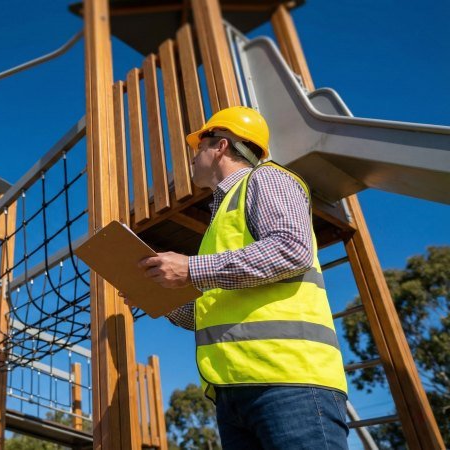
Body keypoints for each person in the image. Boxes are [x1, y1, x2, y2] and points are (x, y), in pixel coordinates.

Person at [125, 106, 349, 449]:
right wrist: (157, 297)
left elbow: (291, 249)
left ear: (221, 146)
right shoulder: (218, 225)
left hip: (289, 382)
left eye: (198, 147)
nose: (192, 158)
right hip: (234, 392)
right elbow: (209, 314)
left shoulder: (268, 178)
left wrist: (190, 269)